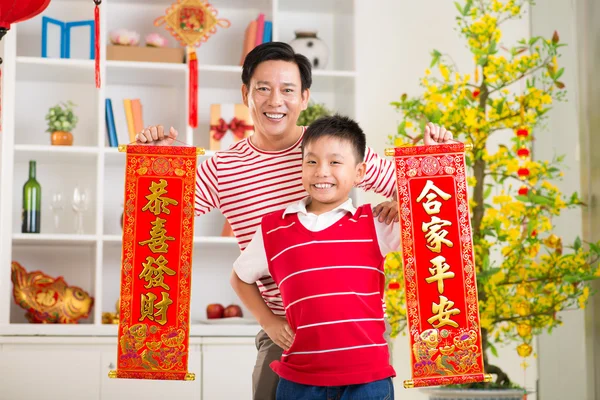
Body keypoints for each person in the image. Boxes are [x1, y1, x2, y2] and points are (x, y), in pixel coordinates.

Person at [136, 42, 453, 399]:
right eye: (263, 89)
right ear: (246, 94)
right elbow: (149, 230)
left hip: (357, 334)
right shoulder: (221, 168)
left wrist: (410, 190)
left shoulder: (330, 147)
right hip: (284, 333)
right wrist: (157, 176)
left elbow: (430, 203)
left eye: (287, 90)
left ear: (304, 97)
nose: (275, 101)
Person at [230, 115, 453, 399]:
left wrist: (435, 158)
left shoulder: (377, 222)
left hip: (368, 380)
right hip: (300, 380)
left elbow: (440, 226)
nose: (322, 171)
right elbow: (239, 277)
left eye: (335, 162)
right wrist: (269, 322)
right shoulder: (275, 228)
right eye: (311, 161)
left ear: (359, 172)